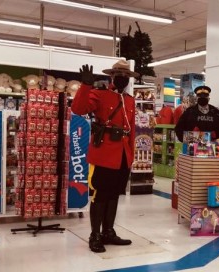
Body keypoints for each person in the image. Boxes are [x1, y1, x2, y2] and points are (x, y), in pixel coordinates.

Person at [72, 60, 137, 253]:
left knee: (114, 195)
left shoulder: (130, 100)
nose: (123, 79)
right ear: (112, 76)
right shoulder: (100, 95)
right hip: (105, 154)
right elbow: (78, 109)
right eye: (119, 75)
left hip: (123, 155)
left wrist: (131, 155)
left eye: (126, 76)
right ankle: (95, 235)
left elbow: (131, 130)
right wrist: (85, 86)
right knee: (100, 196)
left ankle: (108, 232)